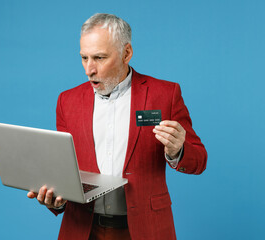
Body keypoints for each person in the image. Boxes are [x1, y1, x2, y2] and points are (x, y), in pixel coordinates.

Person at [27, 13, 207, 240]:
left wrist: (177, 151)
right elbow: (64, 171)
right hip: (82, 229)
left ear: (127, 53)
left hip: (146, 230)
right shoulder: (67, 101)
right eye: (84, 58)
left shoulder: (165, 95)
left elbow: (199, 161)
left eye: (99, 58)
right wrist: (55, 199)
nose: (88, 69)